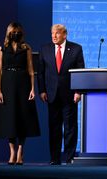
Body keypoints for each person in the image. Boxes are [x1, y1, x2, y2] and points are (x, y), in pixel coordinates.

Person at [37, 24, 85, 165]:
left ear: (65, 35)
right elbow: (40, 73)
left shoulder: (76, 49)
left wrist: (78, 91)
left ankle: (69, 158)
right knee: (54, 128)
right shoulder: (45, 49)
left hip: (70, 95)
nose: (54, 36)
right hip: (51, 95)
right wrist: (42, 90)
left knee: (70, 128)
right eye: (52, 33)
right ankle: (54, 158)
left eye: (57, 33)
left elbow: (80, 71)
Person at [0, 22, 40, 165]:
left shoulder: (26, 48)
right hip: (7, 84)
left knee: (23, 117)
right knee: (10, 119)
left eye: (18, 31)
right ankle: (12, 152)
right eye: (13, 31)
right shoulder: (2, 49)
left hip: (23, 84)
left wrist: (33, 89)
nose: (15, 34)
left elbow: (31, 69)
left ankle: (20, 151)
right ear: (8, 33)